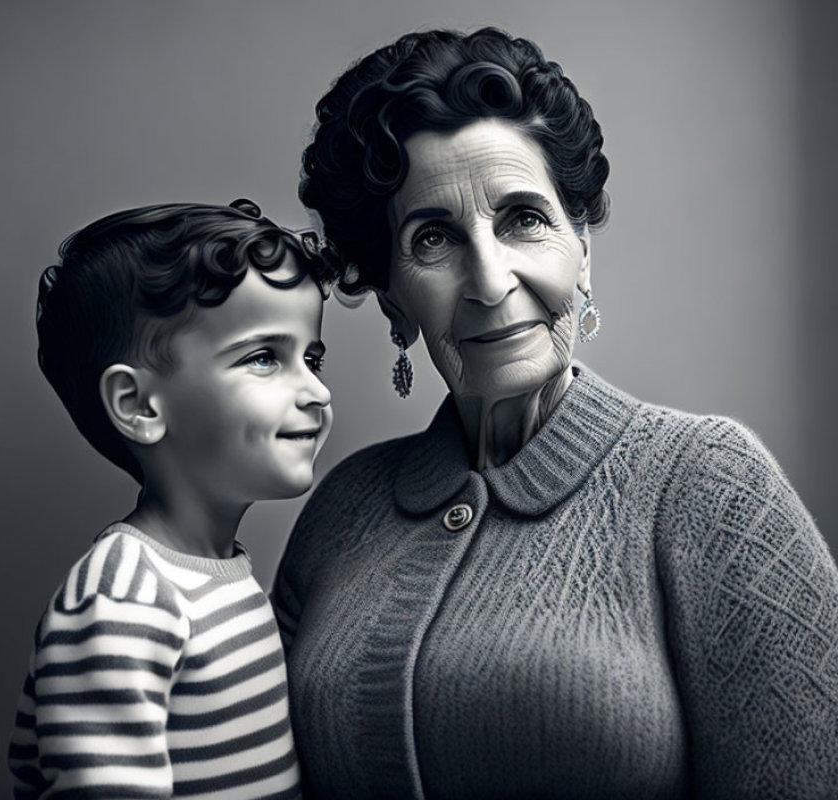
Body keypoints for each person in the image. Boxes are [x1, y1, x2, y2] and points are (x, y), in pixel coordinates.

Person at [273, 28, 838, 799]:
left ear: (582, 248)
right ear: (392, 299)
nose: (489, 279)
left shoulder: (709, 486)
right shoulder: (341, 512)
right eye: (432, 237)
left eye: (522, 220)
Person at [9, 199, 335, 799]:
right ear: (138, 406)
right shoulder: (123, 601)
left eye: (311, 357)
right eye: (265, 357)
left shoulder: (222, 576)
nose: (316, 390)